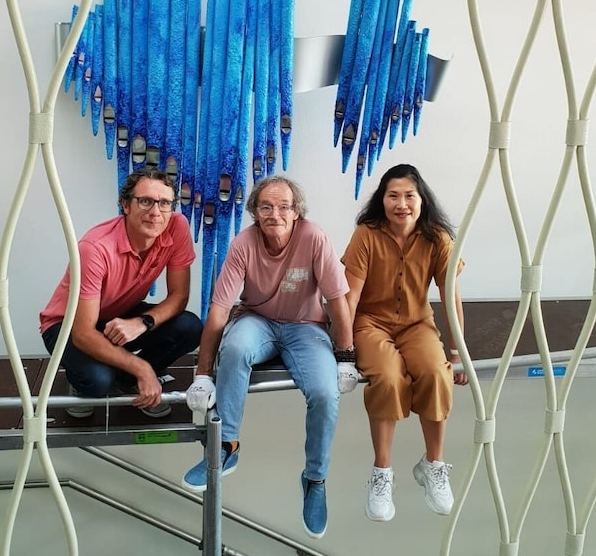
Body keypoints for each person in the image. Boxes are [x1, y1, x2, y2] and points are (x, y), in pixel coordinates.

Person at [182, 175, 358, 540]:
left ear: (297, 213)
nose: (274, 213)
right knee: (235, 347)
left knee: (327, 394)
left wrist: (345, 356)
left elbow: (338, 303)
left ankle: (315, 479)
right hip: (257, 320)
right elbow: (218, 309)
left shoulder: (314, 237)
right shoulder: (243, 244)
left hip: (306, 326)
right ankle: (227, 446)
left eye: (283, 207)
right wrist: (202, 373)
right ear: (255, 213)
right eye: (265, 207)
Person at [341, 163, 467, 522]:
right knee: (389, 378)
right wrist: (344, 353)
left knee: (435, 374)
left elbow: (450, 296)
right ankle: (382, 472)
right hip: (371, 323)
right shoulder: (366, 235)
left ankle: (434, 464)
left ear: (421, 199)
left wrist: (457, 352)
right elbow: (349, 298)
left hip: (417, 323)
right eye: (393, 195)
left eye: (409, 196)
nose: (401, 204)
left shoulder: (438, 238)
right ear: (382, 200)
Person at [40, 168, 203, 418]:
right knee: (98, 382)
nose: (155, 212)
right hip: (67, 324)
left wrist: (143, 322)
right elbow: (83, 333)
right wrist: (143, 368)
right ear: (125, 205)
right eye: (146, 201)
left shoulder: (176, 226)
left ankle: (129, 380)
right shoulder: (94, 248)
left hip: (118, 314)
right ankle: (85, 378)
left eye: (164, 203)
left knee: (190, 326)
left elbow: (179, 296)